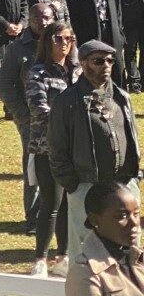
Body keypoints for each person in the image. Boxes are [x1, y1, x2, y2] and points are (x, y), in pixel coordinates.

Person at [48, 40, 139, 264]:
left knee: (131, 245)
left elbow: (132, 137)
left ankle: (130, 292)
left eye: (110, 60)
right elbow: (56, 148)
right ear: (84, 63)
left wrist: (133, 177)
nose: (106, 65)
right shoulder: (67, 101)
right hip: (85, 187)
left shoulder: (121, 98)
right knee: (85, 249)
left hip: (123, 185)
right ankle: (83, 295)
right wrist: (72, 185)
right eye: (99, 61)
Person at [0, 1, 54, 237]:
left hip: (60, 119)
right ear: (29, 20)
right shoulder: (18, 48)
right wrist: (21, 113)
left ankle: (57, 214)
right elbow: (4, 83)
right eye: (38, 18)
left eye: (47, 18)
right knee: (33, 168)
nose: (43, 22)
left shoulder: (61, 42)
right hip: (31, 120)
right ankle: (33, 218)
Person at [25, 19, 77, 277]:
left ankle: (64, 256)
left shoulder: (77, 72)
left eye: (69, 39)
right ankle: (40, 259)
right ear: (48, 42)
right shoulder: (38, 72)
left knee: (69, 203)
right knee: (51, 202)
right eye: (60, 39)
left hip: (75, 148)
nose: (65, 44)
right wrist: (70, 120)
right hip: (48, 147)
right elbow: (38, 108)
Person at [68, 0, 127, 88]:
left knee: (115, 72)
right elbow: (75, 21)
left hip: (112, 37)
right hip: (91, 39)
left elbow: (119, 19)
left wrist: (122, 41)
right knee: (95, 72)